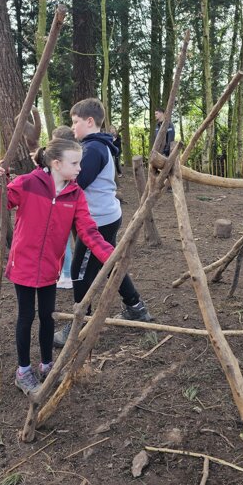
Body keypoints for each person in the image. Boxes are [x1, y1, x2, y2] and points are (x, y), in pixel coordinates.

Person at [0, 137, 114, 395]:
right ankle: (23, 372)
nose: (80, 168)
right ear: (56, 163)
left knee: (47, 316)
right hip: (23, 264)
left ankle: (46, 365)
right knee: (26, 317)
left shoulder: (75, 194)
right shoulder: (28, 183)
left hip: (49, 267)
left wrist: (110, 255)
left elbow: (88, 230)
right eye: (75, 163)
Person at [54, 98, 151, 348]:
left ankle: (80, 323)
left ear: (89, 121)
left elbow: (76, 183)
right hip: (105, 216)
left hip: (96, 222)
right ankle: (135, 306)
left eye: (75, 122)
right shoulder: (97, 146)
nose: (72, 127)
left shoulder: (93, 149)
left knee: (79, 271)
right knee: (109, 263)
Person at [52, 126, 77, 290]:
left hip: (65, 205)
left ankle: (67, 275)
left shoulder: (64, 161)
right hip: (69, 204)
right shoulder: (75, 157)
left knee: (64, 241)